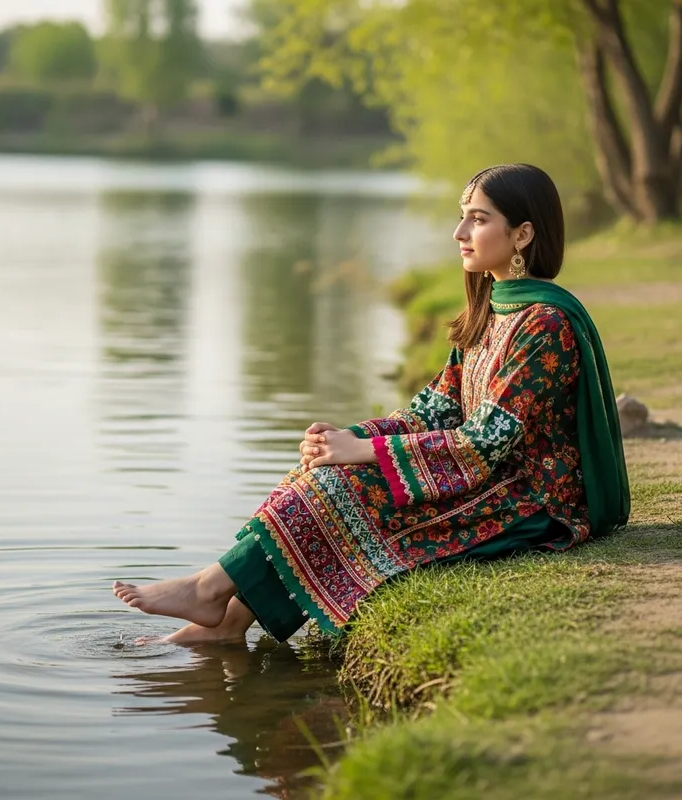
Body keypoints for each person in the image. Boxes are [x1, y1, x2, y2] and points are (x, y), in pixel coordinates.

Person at [113, 163, 630, 645]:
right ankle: (230, 620)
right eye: (461, 218)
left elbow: (484, 442)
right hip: (485, 477)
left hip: (530, 501)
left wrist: (361, 455)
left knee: (346, 488)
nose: (460, 234)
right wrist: (354, 437)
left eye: (479, 219)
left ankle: (207, 589)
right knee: (318, 473)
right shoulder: (488, 313)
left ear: (523, 233)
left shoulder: (544, 324)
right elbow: (432, 413)